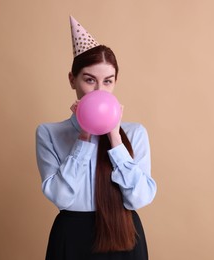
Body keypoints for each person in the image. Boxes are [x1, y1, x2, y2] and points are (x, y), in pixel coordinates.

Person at [36, 16, 157, 260]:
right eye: (90, 80)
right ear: (73, 80)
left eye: (107, 81)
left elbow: (140, 198)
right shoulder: (49, 133)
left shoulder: (135, 133)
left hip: (124, 235)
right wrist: (84, 138)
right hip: (72, 238)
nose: (99, 91)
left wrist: (114, 138)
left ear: (115, 82)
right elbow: (61, 197)